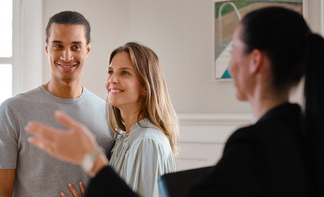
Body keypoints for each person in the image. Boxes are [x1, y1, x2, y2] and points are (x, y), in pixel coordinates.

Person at [26, 6, 321, 196]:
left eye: (235, 50)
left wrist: (91, 158)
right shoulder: (296, 135)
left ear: (255, 61)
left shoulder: (255, 148)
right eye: (111, 72)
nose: (232, 62)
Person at [26, 42, 179, 197]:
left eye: (124, 73)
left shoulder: (147, 141)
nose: (112, 79)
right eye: (110, 72)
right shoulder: (123, 138)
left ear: (146, 87)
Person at [0, 11, 114, 197]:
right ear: (47, 48)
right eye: (58, 45)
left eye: (76, 46)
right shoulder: (11, 111)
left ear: (88, 49)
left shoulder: (109, 114)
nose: (66, 56)